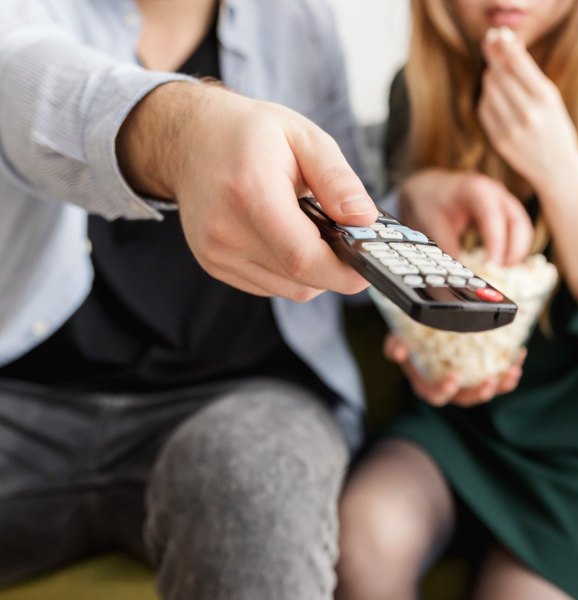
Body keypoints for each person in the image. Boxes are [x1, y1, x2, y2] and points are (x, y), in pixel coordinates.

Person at [336, 1, 578, 599]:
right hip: (464, 428)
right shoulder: (420, 89)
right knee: (361, 535)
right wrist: (429, 351)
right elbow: (420, 310)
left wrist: (560, 167)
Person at [0, 0, 380, 598]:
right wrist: (185, 134)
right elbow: (23, 76)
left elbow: (352, 197)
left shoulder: (300, 19)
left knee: (256, 484)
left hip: (245, 398)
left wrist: (419, 201)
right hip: (22, 396)